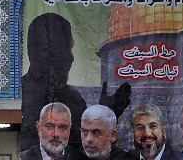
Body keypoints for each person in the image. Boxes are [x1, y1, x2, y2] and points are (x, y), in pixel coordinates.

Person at [21, 13, 131, 155]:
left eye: (70, 49)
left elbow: (84, 151)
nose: (70, 58)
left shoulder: (74, 100)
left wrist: (105, 115)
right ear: (40, 53)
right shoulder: (22, 94)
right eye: (65, 49)